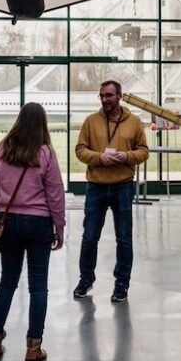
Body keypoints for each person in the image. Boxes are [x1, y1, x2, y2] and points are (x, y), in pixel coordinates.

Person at [0, 103, 66, 361]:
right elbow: (54, 192)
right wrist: (59, 226)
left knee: (7, 281)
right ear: (42, 123)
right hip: (39, 223)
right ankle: (33, 348)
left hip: (10, 222)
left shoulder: (3, 150)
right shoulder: (45, 153)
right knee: (38, 285)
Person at [73, 80, 149, 303]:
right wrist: (99, 157)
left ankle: (121, 284)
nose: (105, 99)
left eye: (109, 95)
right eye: (102, 96)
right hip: (96, 187)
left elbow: (143, 152)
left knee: (124, 239)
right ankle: (85, 280)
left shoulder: (134, 123)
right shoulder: (91, 121)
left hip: (123, 186)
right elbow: (80, 150)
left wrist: (127, 156)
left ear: (119, 96)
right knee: (89, 238)